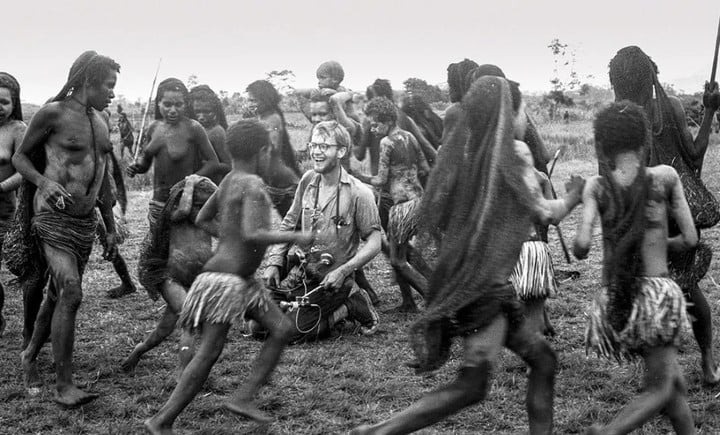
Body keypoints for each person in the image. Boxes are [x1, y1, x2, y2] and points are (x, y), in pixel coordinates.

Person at [352, 76, 584, 435]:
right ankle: (375, 432)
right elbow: (546, 213)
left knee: (544, 360)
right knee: (471, 386)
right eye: (521, 111)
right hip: (483, 292)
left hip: (480, 285)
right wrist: (574, 195)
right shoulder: (512, 154)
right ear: (508, 114)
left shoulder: (463, 156)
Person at [144, 120, 311, 433]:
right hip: (226, 282)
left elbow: (204, 217)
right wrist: (298, 237)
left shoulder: (231, 180)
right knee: (208, 352)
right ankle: (161, 420)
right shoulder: (252, 184)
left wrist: (229, 239)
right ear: (263, 151)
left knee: (282, 329)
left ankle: (244, 397)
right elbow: (253, 232)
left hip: (238, 280)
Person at [576, 101, 696, 434]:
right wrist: (659, 243)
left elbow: (582, 247)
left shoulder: (596, 187)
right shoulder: (666, 178)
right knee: (659, 387)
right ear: (645, 142)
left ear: (601, 146)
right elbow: (689, 239)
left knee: (673, 387)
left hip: (618, 297)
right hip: (657, 299)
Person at [14, 51, 121, 406]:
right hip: (52, 217)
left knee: (58, 294)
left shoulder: (102, 119)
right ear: (88, 81)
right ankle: (64, 385)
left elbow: (103, 176)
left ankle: (30, 355)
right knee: (71, 290)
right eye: (108, 85)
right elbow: (20, 157)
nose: (112, 93)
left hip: (84, 221)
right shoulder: (52, 113)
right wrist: (42, 182)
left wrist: (109, 225)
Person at [608, 46, 720, 384]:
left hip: (638, 223)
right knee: (689, 290)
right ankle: (707, 363)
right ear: (651, 75)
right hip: (674, 213)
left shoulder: (616, 118)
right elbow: (696, 156)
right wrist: (710, 112)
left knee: (643, 295)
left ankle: (657, 374)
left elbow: (609, 180)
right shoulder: (668, 107)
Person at [263, 120, 382, 342]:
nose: (316, 152)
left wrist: (344, 271)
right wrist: (274, 261)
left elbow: (375, 243)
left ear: (341, 151)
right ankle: (303, 309)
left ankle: (350, 304)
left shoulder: (359, 193)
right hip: (303, 272)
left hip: (334, 280)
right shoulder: (308, 181)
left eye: (324, 146)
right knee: (255, 324)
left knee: (289, 334)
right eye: (313, 145)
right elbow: (289, 223)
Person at [127, 78, 220, 301]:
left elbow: (213, 162)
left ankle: (198, 301)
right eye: (167, 104)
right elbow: (147, 161)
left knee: (190, 261)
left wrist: (193, 180)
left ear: (186, 104)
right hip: (158, 206)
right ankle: (179, 303)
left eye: (178, 104)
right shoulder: (153, 128)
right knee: (160, 260)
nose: (172, 110)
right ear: (158, 103)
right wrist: (137, 167)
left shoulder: (193, 128)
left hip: (185, 205)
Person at [121, 175, 217, 373]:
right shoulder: (175, 214)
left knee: (164, 329)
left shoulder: (204, 220)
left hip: (193, 280)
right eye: (198, 204)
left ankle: (139, 350)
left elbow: (223, 230)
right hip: (170, 277)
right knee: (189, 320)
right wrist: (191, 182)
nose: (201, 208)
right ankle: (183, 375)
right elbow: (183, 209)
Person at [355, 97, 430, 312]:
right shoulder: (410, 137)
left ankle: (434, 299)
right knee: (405, 250)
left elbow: (379, 180)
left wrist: (358, 176)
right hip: (418, 201)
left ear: (388, 120)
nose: (373, 129)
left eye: (376, 124)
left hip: (402, 208)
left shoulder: (386, 143)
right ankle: (409, 302)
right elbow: (424, 167)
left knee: (398, 260)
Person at [246, 80, 301, 216]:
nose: (250, 104)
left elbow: (273, 148)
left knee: (291, 218)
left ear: (265, 99)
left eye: (254, 101)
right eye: (249, 101)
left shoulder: (272, 118)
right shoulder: (261, 117)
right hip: (272, 175)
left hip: (278, 176)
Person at [0, 72, 25, 336]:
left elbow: (24, 170)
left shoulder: (18, 130)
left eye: (4, 102)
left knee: (21, 266)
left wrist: (1, 187)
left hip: (6, 212)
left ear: (13, 102)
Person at [188, 84, 231, 183]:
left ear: (216, 111)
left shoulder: (217, 132)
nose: (201, 117)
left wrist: (206, 165)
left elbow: (229, 166)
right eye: (197, 112)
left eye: (207, 112)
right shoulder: (195, 128)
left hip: (212, 184)